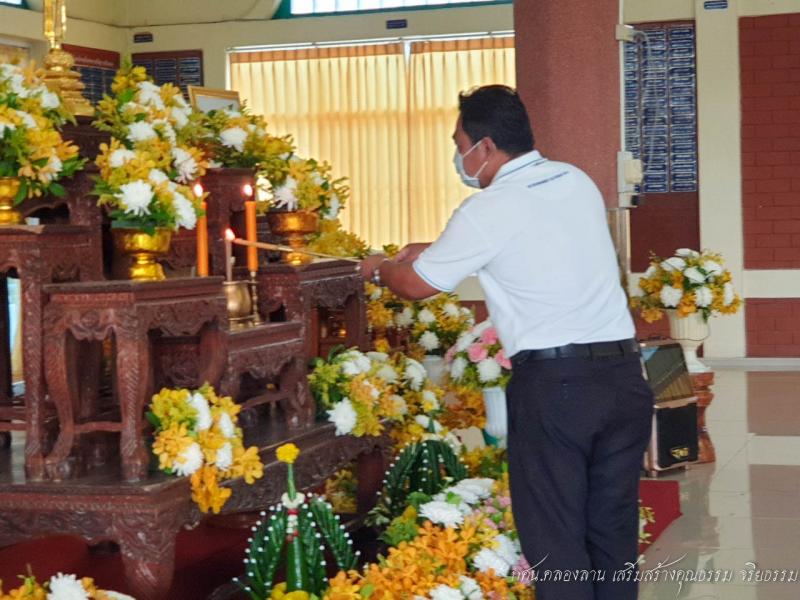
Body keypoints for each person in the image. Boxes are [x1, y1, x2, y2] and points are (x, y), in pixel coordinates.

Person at [360, 84, 653, 600]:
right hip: (624, 379)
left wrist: (380, 268)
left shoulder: (488, 208)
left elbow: (415, 285)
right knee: (611, 535)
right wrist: (435, 248)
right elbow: (540, 240)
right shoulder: (575, 180)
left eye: (459, 143)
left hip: (557, 391)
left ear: (487, 146)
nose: (458, 157)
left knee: (556, 544)